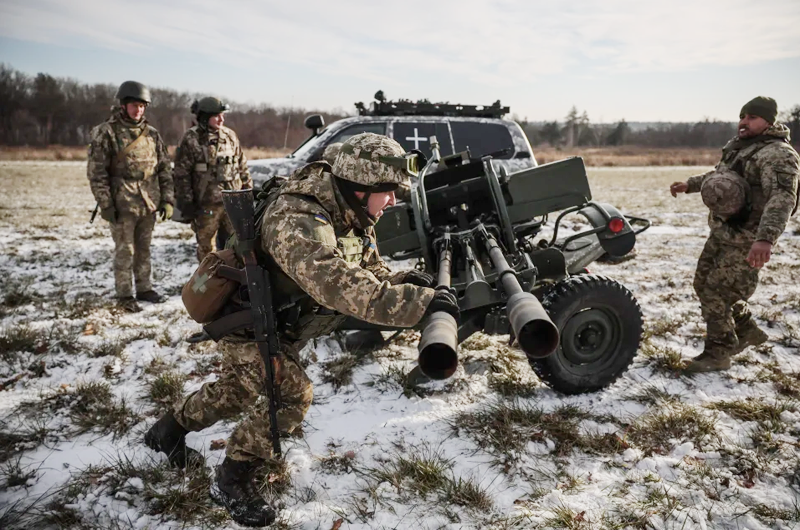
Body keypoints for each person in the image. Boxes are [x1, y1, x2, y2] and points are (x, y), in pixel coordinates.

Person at [145, 133, 458, 526]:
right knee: (293, 394)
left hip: (278, 323)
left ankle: (166, 431)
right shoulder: (296, 220)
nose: (394, 200)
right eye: (389, 191)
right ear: (361, 187)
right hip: (244, 325)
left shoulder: (352, 212)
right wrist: (420, 305)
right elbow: (340, 286)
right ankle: (232, 478)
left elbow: (367, 270)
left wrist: (404, 281)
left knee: (234, 392)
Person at [670, 96, 799, 372]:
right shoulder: (740, 147)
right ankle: (746, 329)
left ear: (769, 122)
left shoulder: (778, 154)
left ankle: (719, 353)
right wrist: (690, 184)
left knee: (718, 290)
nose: (744, 121)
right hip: (722, 232)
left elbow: (782, 198)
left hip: (748, 238)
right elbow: (721, 176)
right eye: (743, 116)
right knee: (703, 283)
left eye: (752, 117)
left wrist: (765, 239)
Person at [87, 81, 174, 313]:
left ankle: (145, 288)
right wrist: (106, 204)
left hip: (148, 201)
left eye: (143, 106)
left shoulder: (152, 134)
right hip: (121, 203)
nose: (139, 110)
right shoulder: (106, 132)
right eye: (134, 105)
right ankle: (124, 294)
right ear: (123, 105)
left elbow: (164, 168)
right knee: (125, 251)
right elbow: (97, 173)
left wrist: (167, 199)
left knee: (144, 248)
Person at [173, 97, 252, 263]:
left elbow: (241, 165)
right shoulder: (191, 139)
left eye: (222, 115)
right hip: (206, 205)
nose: (222, 119)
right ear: (204, 117)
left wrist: (247, 191)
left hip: (232, 203)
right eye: (216, 116)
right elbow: (182, 173)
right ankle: (210, 284)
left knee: (236, 246)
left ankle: (234, 283)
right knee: (207, 249)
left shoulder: (230, 136)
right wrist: (186, 201)